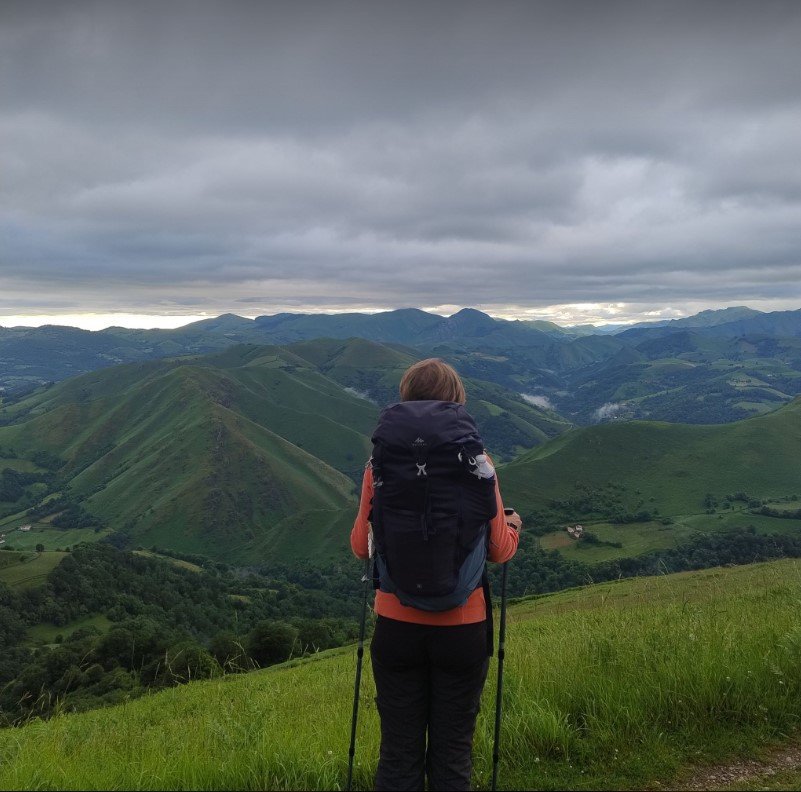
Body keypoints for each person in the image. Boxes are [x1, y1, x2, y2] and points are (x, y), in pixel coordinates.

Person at [351, 358, 521, 791]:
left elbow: (360, 547)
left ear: (405, 397)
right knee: (452, 753)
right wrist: (513, 527)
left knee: (398, 754)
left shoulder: (379, 465)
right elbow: (500, 550)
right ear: (456, 400)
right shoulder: (478, 463)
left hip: (396, 626)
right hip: (463, 629)